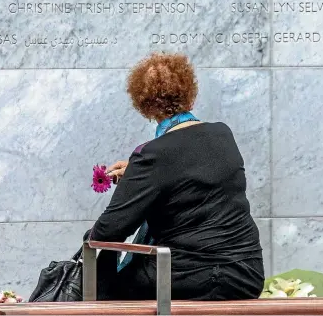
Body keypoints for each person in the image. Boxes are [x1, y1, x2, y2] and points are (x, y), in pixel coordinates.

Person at [87, 52, 264, 301]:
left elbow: (109, 230)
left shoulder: (152, 155)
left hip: (190, 278)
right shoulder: (222, 135)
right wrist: (139, 171)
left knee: (113, 281)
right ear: (190, 95)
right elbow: (190, 170)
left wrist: (138, 176)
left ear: (144, 106)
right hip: (247, 274)